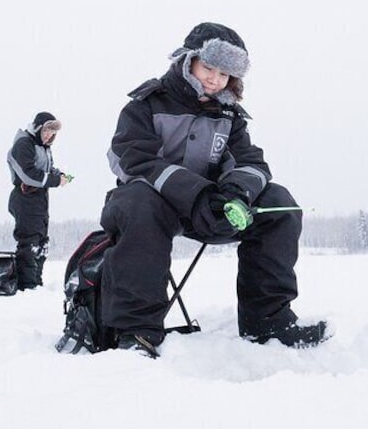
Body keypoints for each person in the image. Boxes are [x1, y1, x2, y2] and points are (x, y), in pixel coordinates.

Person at [100, 22, 329, 357]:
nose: (214, 79)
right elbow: (135, 160)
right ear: (187, 60)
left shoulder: (231, 116)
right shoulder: (145, 105)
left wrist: (236, 194)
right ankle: (137, 332)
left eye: (224, 74)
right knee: (139, 200)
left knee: (279, 205)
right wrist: (197, 194)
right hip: (149, 209)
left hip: (209, 210)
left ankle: (268, 324)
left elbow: (252, 163)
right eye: (208, 67)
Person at [7, 112, 71, 290]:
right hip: (25, 197)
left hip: (40, 198)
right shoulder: (24, 144)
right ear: (38, 128)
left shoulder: (43, 147)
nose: (50, 135)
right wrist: (56, 181)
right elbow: (28, 174)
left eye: (53, 132)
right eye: (47, 130)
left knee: (42, 243)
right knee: (30, 242)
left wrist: (61, 175)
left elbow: (46, 169)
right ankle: (26, 286)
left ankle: (36, 282)